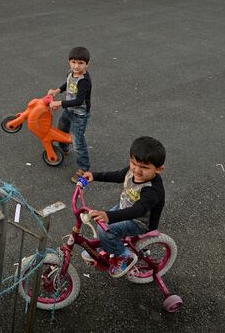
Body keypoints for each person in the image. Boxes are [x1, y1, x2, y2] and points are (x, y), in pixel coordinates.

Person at [81, 136, 166, 278]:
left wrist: (110, 216)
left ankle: (124, 256)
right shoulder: (131, 171)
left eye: (144, 167)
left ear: (159, 169)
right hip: (124, 208)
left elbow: (138, 210)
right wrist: (94, 176)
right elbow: (117, 175)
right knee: (102, 225)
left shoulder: (152, 190)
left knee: (106, 230)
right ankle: (108, 246)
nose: (137, 170)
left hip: (139, 221)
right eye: (133, 163)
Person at [47, 46, 92, 182]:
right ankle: (64, 148)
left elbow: (79, 101)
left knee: (78, 141)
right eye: (73, 62)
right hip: (69, 110)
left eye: (80, 63)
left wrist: (59, 103)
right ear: (69, 62)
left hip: (79, 115)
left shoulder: (84, 81)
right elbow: (67, 84)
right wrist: (57, 91)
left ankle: (84, 168)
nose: (76, 66)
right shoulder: (70, 73)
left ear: (87, 64)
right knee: (62, 128)